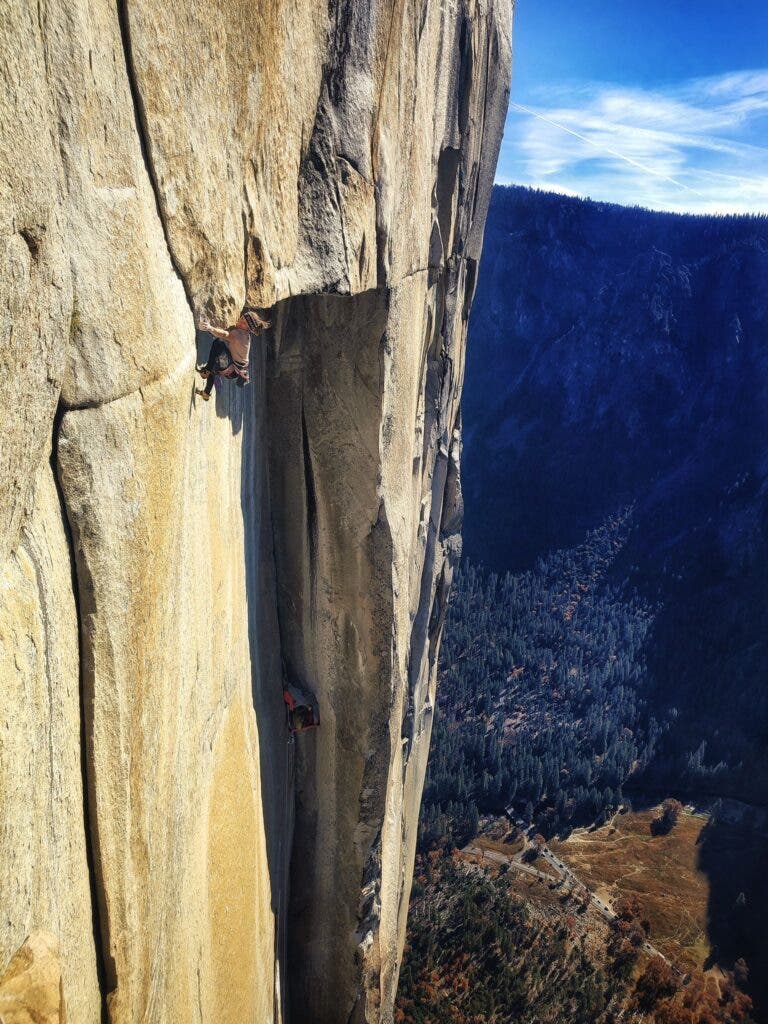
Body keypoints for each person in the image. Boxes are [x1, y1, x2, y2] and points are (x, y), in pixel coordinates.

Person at [195, 309, 271, 401]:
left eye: (243, 323)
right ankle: (206, 393)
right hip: (235, 371)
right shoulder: (247, 335)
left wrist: (210, 328)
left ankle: (206, 371)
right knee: (214, 366)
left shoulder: (238, 334)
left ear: (248, 328)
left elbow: (224, 334)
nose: (240, 321)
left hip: (231, 367)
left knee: (218, 343)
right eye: (242, 318)